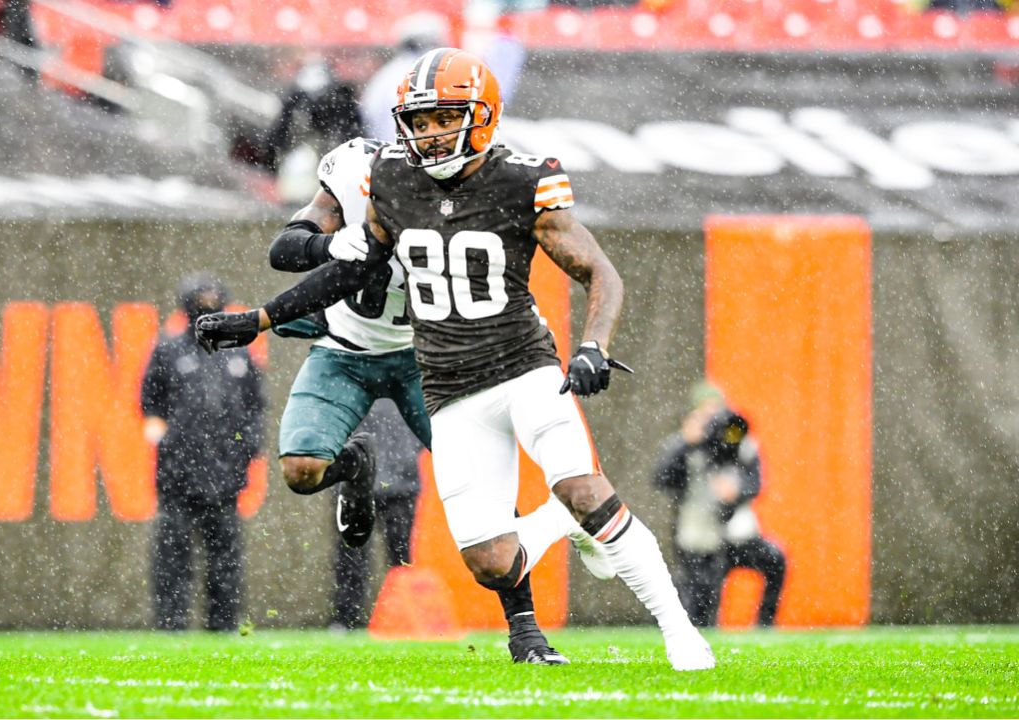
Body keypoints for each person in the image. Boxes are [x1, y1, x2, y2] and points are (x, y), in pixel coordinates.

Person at [196, 48, 714, 670]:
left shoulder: (524, 179)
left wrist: (594, 346)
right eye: (418, 121)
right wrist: (260, 319)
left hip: (522, 365)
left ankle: (679, 630)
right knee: (490, 561)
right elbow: (349, 270)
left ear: (482, 115)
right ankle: (557, 524)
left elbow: (598, 271)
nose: (428, 133)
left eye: (444, 118)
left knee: (582, 486)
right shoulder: (388, 177)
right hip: (448, 386)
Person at [238, 133, 607, 663]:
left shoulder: (462, 190)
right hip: (348, 348)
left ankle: (524, 629)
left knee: (490, 494)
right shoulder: (352, 169)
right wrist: (332, 245)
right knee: (300, 469)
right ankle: (355, 468)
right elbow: (289, 249)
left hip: (425, 356)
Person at [140, 274, 266, 632]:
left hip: (226, 477)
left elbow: (257, 407)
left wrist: (248, 449)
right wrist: (169, 442)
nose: (208, 303)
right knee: (172, 555)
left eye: (214, 297)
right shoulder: (168, 349)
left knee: (226, 559)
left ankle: (223, 627)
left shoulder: (239, 353)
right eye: (201, 298)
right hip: (177, 475)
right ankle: (171, 625)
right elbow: (149, 402)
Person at [652, 381, 787, 628]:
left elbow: (756, 483)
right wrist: (686, 443)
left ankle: (765, 626)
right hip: (697, 538)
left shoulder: (741, 442)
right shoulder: (684, 445)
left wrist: (736, 490)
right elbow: (661, 479)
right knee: (700, 601)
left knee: (775, 560)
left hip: (736, 535)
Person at [329, 399, 423, 631]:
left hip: (397, 482)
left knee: (399, 559)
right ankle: (347, 617)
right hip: (362, 482)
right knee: (354, 556)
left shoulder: (403, 380)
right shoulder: (351, 378)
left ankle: (402, 618)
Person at [359, 12, 450, 141]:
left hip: (385, 152)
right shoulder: (429, 75)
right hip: (417, 153)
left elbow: (367, 117)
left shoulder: (384, 76)